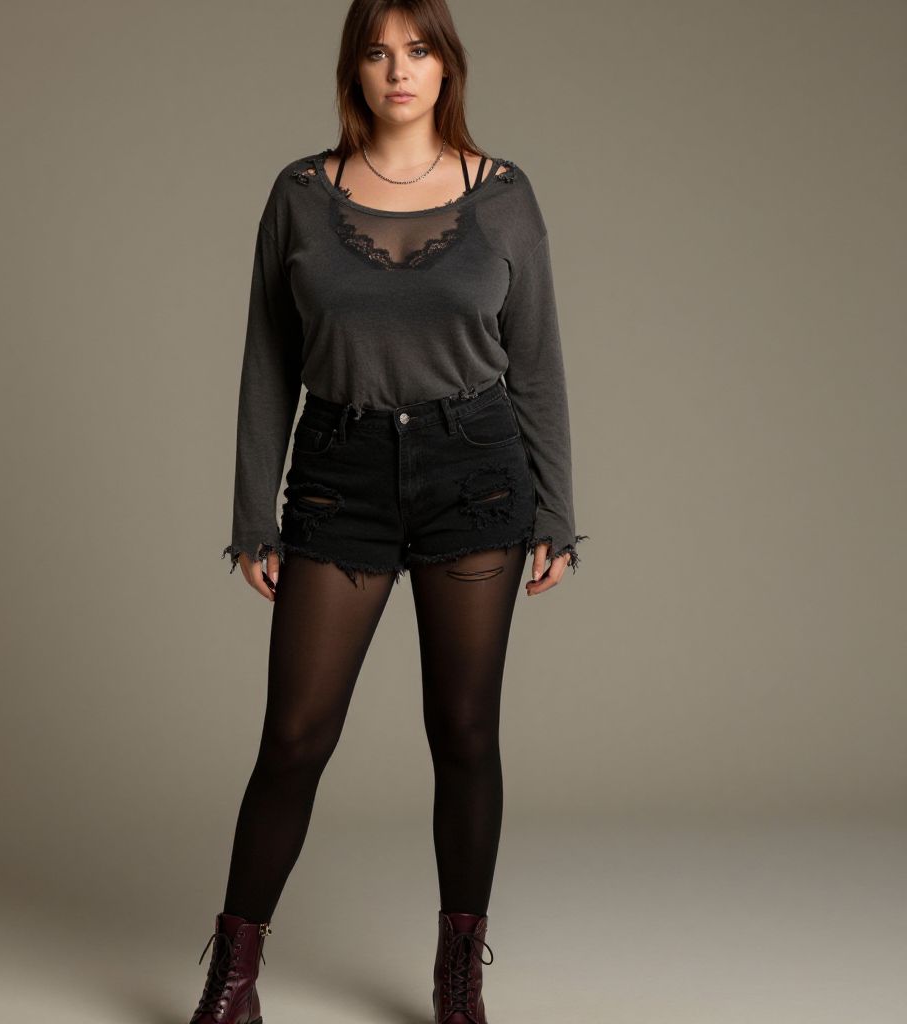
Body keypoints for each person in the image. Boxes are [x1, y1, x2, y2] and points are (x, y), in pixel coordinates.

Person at [189, 2, 587, 1022]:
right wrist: (253, 513)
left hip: (476, 473)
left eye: (417, 50)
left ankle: (458, 981)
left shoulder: (504, 196)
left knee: (463, 731)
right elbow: (267, 362)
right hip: (341, 474)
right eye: (377, 51)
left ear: (447, 66)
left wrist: (556, 508)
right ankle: (232, 981)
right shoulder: (298, 195)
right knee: (295, 737)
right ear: (353, 71)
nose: (398, 70)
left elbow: (536, 360)